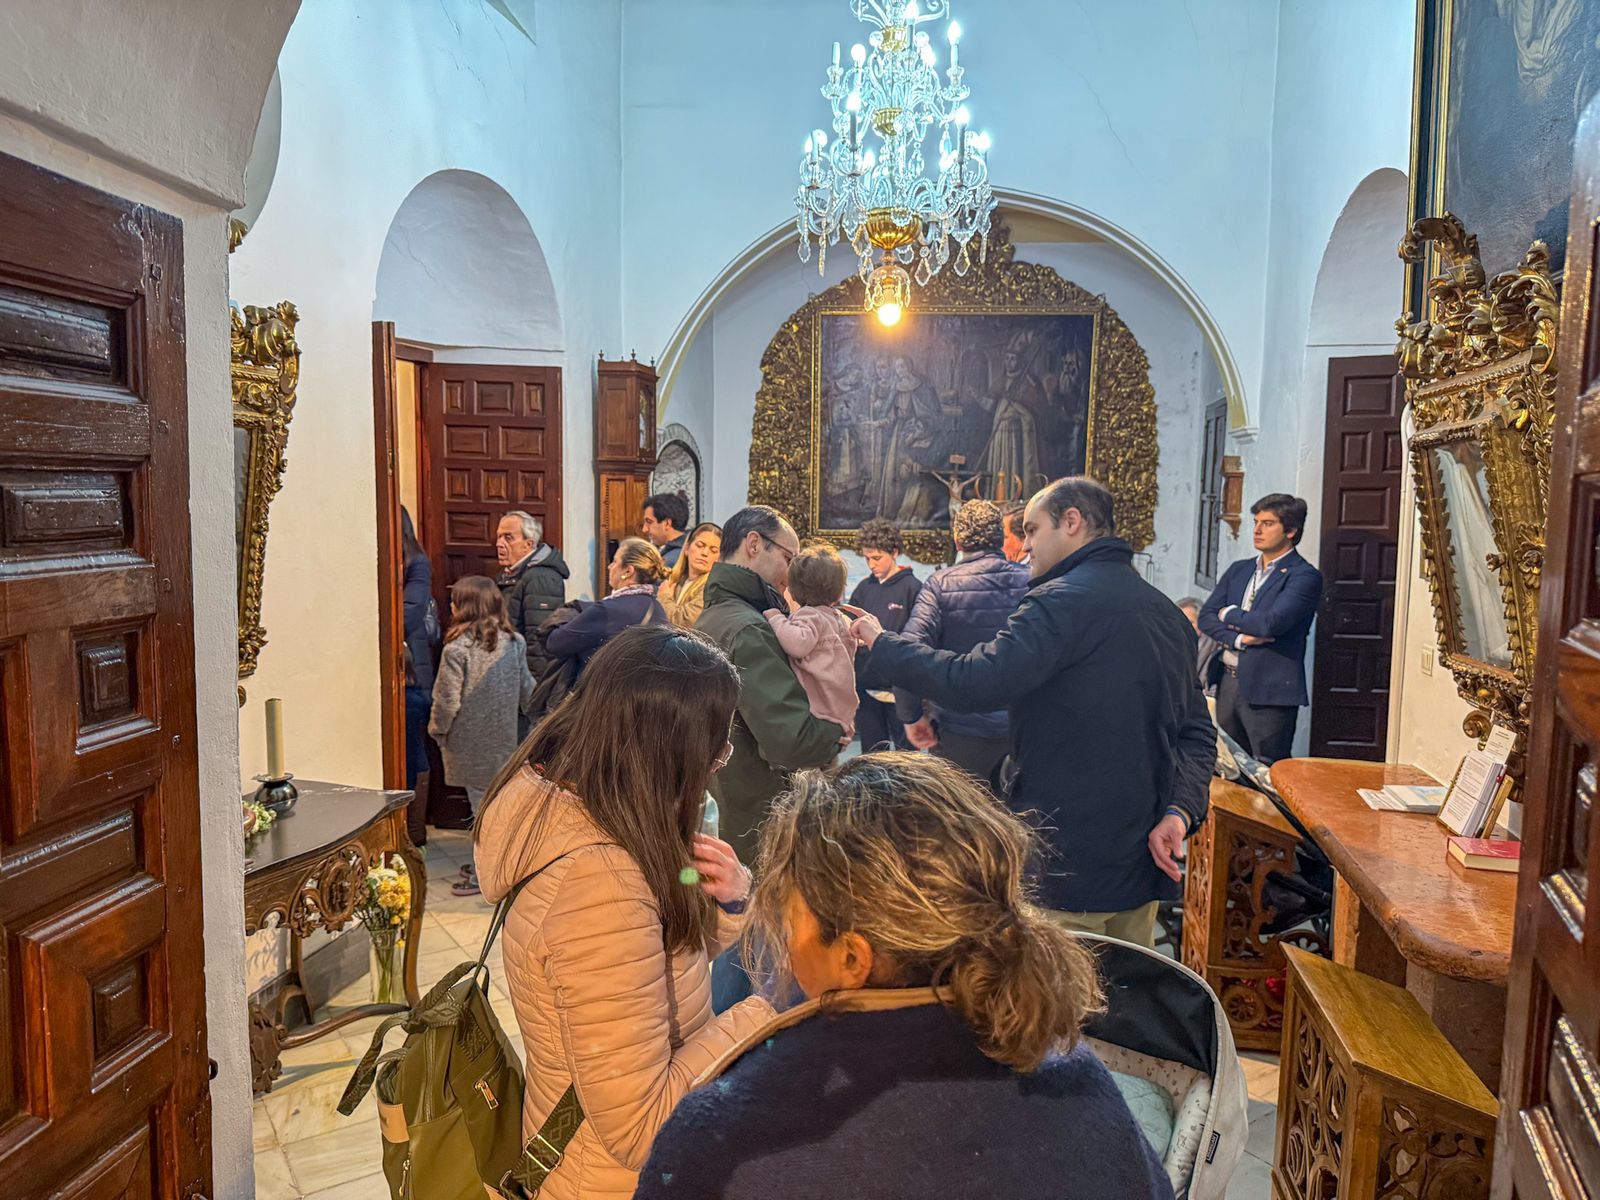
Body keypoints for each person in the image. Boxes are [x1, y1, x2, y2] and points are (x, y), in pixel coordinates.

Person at [635, 753, 1172, 1200]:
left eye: (787, 907)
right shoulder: (1075, 1075)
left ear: (852, 959)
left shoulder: (732, 1136)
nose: (777, 926)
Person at [473, 626, 775, 1200]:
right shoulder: (599, 889)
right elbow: (639, 1128)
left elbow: (653, 953)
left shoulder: (579, 804)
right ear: (669, 751)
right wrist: (769, 1010)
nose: (715, 766)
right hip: (608, 1181)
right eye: (714, 749)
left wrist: (731, 898)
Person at [851, 477, 1214, 949]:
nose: (1022, 547)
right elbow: (1197, 733)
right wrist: (1180, 810)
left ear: (1072, 522)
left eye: (1031, 530)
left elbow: (976, 681)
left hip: (1066, 856)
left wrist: (883, 644)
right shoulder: (1167, 612)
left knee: (1054, 1008)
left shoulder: (1059, 601)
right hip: (1140, 856)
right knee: (1125, 1007)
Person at [694, 506, 846, 864]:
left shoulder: (718, 613)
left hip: (724, 796)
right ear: (753, 544)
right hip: (753, 808)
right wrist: (835, 732)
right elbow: (789, 741)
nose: (792, 573)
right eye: (788, 558)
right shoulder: (749, 629)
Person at [894, 499, 1029, 793]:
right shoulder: (1033, 581)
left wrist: (912, 716)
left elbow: (908, 653)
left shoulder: (941, 584)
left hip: (960, 733)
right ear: (1000, 538)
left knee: (962, 826)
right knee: (1023, 824)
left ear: (957, 540)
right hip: (1026, 729)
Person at [1198, 493, 1324, 764]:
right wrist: (1240, 638)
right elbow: (1207, 616)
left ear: (1291, 530)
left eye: (1268, 523)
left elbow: (1271, 623)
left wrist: (1230, 613)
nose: (1257, 530)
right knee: (1231, 766)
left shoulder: (1304, 576)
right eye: (1256, 522)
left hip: (1269, 690)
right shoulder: (1239, 570)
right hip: (1228, 680)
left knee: (1267, 768)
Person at [429, 576, 535, 897]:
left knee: (483, 814)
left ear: (466, 607)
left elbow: (447, 700)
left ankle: (485, 876)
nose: (450, 606)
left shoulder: (456, 649)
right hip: (504, 742)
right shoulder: (514, 642)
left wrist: (437, 729)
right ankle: (488, 867)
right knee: (494, 808)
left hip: (469, 744)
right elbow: (527, 691)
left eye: (456, 601)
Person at [764, 542, 858, 740]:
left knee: (809, 769)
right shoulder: (838, 617)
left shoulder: (810, 615)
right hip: (841, 703)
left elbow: (796, 644)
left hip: (819, 706)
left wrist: (775, 617)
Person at [846, 518, 921, 752]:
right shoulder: (864, 589)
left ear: (895, 552)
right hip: (868, 685)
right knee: (871, 755)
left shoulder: (913, 588)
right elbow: (850, 625)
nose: (871, 565)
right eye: (867, 558)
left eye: (877, 558)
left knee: (907, 758)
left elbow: (918, 638)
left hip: (901, 689)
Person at [546, 537, 667, 673]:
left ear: (628, 571)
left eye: (615, 561)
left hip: (603, 690)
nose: (610, 567)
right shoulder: (658, 608)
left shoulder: (608, 609)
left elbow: (555, 643)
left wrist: (569, 615)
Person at [495, 509, 570, 687]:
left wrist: (534, 691)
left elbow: (538, 640)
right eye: (498, 537)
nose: (499, 544)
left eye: (508, 538)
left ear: (528, 544)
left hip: (527, 682)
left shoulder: (540, 578)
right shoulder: (514, 573)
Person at [399, 508, 437, 793]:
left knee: (412, 748)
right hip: (403, 663)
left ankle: (413, 829)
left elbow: (410, 615)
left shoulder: (417, 561)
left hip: (411, 666)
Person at [658, 521, 721, 627]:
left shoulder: (712, 588)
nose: (705, 553)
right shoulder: (677, 580)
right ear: (687, 548)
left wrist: (664, 597)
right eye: (700, 545)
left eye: (713, 550)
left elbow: (683, 622)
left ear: (719, 558)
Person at [1178, 595, 1225, 695]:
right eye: (1179, 621)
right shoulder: (1171, 649)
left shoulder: (1216, 651)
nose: (1183, 626)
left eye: (1190, 622)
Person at [640, 492, 690, 569]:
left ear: (667, 523)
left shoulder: (670, 561)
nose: (644, 529)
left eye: (649, 522)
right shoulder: (684, 550)